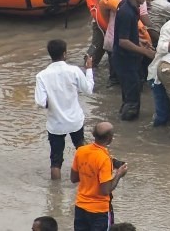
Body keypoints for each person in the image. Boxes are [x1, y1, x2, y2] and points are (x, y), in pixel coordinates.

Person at [35, 39, 94, 180]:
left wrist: (53, 103)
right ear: (65, 54)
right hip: (75, 120)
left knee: (56, 161)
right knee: (82, 149)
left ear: (50, 54)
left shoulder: (41, 76)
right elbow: (88, 90)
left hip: (56, 124)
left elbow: (40, 102)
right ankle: (85, 179)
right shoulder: (73, 71)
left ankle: (56, 194)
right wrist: (89, 69)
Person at [71, 121, 127, 231]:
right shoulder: (104, 159)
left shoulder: (81, 151)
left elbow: (74, 178)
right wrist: (119, 175)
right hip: (99, 211)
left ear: (93, 134)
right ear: (110, 138)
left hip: (80, 207)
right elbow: (105, 190)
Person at [112, 0, 154, 121]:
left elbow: (127, 34)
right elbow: (123, 41)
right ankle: (128, 129)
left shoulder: (130, 8)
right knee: (132, 96)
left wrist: (140, 41)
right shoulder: (126, 12)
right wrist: (145, 52)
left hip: (130, 59)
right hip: (125, 60)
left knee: (131, 92)